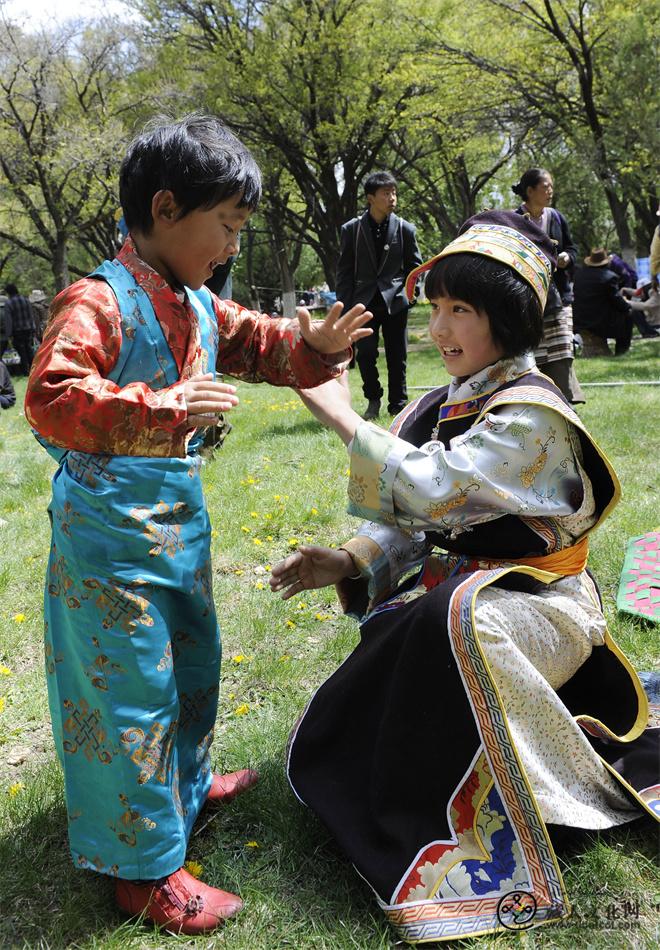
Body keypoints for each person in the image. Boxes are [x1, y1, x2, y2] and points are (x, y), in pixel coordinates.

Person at [24, 114, 372, 936]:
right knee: (131, 694)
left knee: (191, 665)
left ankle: (183, 789)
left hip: (177, 529)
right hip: (108, 545)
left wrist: (312, 346)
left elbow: (261, 342)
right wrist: (164, 406)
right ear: (166, 207)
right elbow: (50, 396)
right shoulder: (97, 301)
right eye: (226, 225)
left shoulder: (198, 304)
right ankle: (143, 871)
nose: (232, 246)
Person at [270, 212, 658, 944]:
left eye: (462, 311)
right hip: (459, 605)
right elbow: (418, 523)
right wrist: (348, 560)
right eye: (436, 308)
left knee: (454, 619)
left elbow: (438, 488)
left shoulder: (532, 415)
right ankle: (413, 787)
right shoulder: (437, 405)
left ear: (505, 322)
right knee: (434, 618)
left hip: (544, 611)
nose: (440, 329)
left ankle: (528, 801)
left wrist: (346, 419)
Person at [336, 171, 422, 419]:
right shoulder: (352, 229)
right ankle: (373, 400)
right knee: (365, 354)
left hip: (395, 302)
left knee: (398, 356)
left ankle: (398, 405)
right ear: (370, 198)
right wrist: (345, 307)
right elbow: (344, 271)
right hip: (363, 303)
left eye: (394, 192)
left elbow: (414, 268)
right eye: (386, 193)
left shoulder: (405, 229)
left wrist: (410, 296)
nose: (392, 198)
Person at [513, 168, 585, 403]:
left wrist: (567, 257)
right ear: (530, 191)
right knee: (532, 352)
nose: (550, 191)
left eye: (551, 186)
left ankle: (566, 401)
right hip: (528, 298)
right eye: (546, 187)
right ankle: (537, 399)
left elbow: (572, 248)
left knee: (562, 349)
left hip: (559, 296)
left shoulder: (556, 217)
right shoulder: (515, 220)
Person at [573, 249, 634, 354]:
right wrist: (628, 307)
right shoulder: (609, 277)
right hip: (599, 322)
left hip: (580, 320)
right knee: (628, 315)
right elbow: (617, 300)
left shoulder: (579, 275)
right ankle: (621, 350)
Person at [3, 282, 36, 376]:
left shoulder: (9, 303)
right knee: (29, 349)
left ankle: (26, 371)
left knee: (21, 351)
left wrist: (8, 334)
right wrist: (33, 328)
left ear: (8, 293)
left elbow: (8, 320)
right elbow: (31, 315)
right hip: (28, 329)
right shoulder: (26, 300)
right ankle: (35, 369)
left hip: (17, 331)